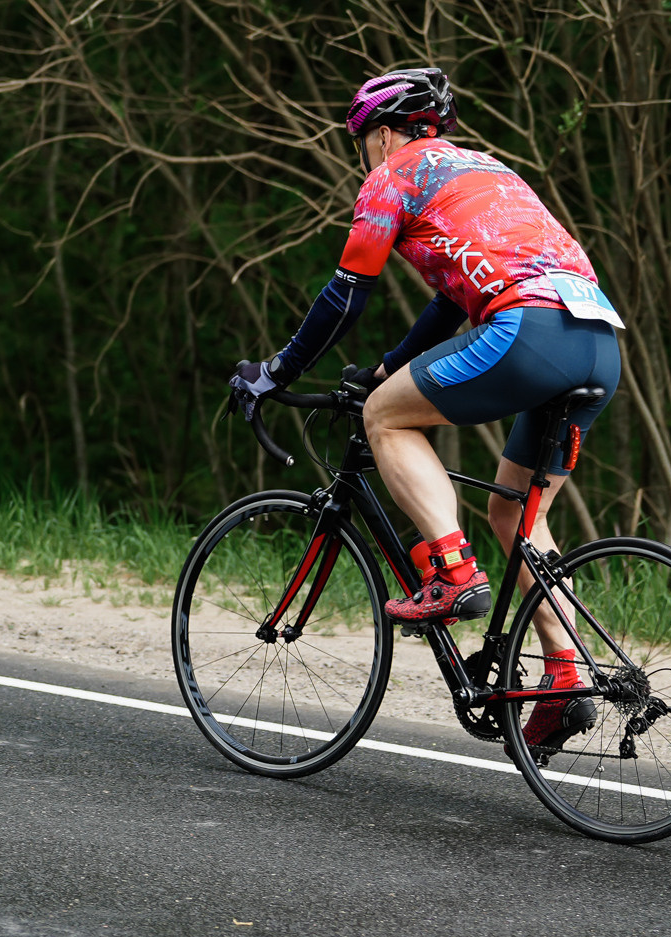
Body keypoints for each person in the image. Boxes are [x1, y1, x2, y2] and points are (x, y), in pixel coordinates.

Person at [229, 67, 624, 758]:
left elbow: (345, 293)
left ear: (381, 135)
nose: (364, 156)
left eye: (362, 143)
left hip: (529, 329)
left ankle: (451, 568)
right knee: (517, 516)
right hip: (597, 343)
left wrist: (277, 372)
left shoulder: (395, 174)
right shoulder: (482, 168)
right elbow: (451, 298)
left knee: (385, 418)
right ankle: (565, 677)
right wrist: (388, 366)